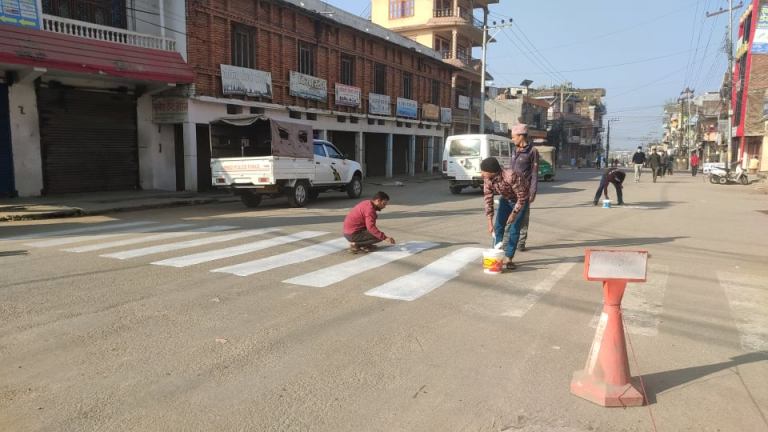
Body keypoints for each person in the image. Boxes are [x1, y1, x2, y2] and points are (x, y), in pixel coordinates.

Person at [481, 157, 530, 271]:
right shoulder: (487, 179)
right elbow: (488, 199)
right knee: (498, 227)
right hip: (506, 199)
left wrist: (513, 214)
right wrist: (489, 222)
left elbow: (521, 197)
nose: (482, 173)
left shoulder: (510, 176)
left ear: (491, 171)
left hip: (520, 201)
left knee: (514, 228)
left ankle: (509, 258)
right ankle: (496, 255)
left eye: (483, 171)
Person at [509, 123, 538, 252]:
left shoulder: (533, 151)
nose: (512, 139)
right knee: (510, 215)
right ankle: (510, 241)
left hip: (524, 190)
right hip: (511, 189)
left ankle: (521, 242)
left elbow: (534, 173)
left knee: (523, 217)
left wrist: (533, 191)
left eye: (514, 137)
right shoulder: (515, 150)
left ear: (521, 136)